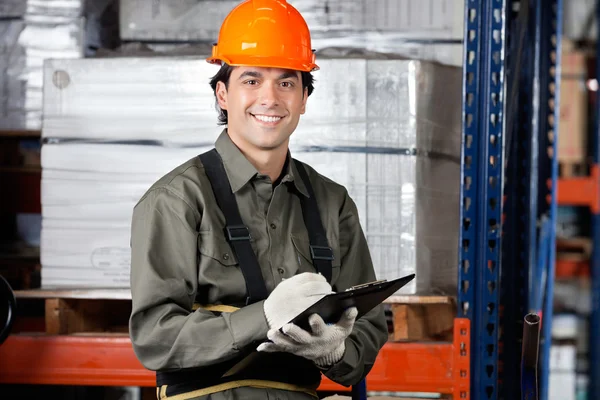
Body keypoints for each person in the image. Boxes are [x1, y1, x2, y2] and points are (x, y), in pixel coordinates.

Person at [128, 0, 388, 399]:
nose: (270, 98)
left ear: (303, 99)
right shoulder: (176, 199)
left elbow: (367, 325)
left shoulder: (332, 202)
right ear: (222, 94)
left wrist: (334, 351)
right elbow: (155, 338)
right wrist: (265, 316)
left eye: (286, 82)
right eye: (251, 80)